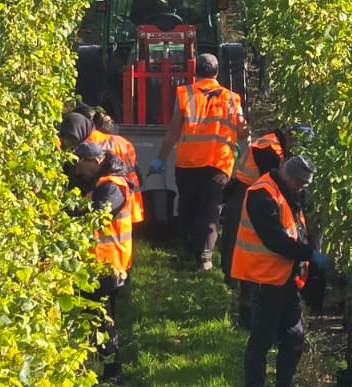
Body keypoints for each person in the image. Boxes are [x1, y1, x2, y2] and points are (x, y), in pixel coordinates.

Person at [231, 154, 330, 387]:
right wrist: (311, 254)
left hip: (285, 280)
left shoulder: (287, 194)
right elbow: (275, 240)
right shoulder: (261, 194)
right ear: (288, 175)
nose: (300, 188)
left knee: (294, 338)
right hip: (265, 280)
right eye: (298, 183)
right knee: (261, 340)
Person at [149, 52, 247, 271]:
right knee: (210, 210)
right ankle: (206, 257)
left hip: (187, 163)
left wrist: (160, 159)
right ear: (217, 72)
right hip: (218, 163)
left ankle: (186, 251)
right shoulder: (232, 98)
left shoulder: (185, 94)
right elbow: (242, 131)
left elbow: (173, 131)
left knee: (187, 207)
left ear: (195, 71)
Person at [219, 124, 313, 326]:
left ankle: (245, 304)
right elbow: (272, 178)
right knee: (240, 240)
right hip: (246, 191)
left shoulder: (276, 146)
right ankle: (240, 300)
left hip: (252, 191)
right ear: (290, 137)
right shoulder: (270, 148)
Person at [68, 140, 134, 376]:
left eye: (80, 165)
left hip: (106, 266)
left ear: (95, 161)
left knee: (101, 320)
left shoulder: (112, 187)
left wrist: (69, 213)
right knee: (99, 317)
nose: (77, 170)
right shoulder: (102, 183)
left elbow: (97, 214)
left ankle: (111, 372)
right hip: (100, 265)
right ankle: (105, 369)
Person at [89, 108, 144, 230]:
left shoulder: (89, 141)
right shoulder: (123, 142)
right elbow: (137, 175)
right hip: (127, 202)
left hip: (100, 200)